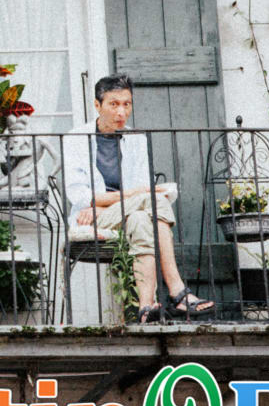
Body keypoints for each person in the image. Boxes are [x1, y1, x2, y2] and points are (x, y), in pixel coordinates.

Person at [62, 74, 212, 321]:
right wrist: (128, 196)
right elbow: (80, 196)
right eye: (114, 104)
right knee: (154, 199)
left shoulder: (136, 138)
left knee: (142, 218)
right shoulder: (75, 138)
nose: (121, 111)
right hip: (91, 218)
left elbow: (140, 190)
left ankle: (146, 306)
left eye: (127, 104)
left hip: (121, 213)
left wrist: (107, 202)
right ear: (97, 105)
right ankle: (177, 289)